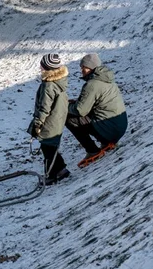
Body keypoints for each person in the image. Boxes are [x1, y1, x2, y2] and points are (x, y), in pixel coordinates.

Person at [65, 53, 128, 168]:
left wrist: (64, 106)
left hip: (109, 130)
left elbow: (80, 111)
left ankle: (92, 150)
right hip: (120, 127)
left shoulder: (92, 84)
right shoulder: (107, 79)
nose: (82, 70)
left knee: (68, 118)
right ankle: (106, 141)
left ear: (91, 67)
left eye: (83, 67)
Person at [27, 53, 71, 185]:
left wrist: (38, 124)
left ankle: (50, 175)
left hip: (50, 122)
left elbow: (44, 108)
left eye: (42, 65)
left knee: (47, 148)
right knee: (50, 146)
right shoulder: (58, 82)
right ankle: (61, 170)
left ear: (47, 68)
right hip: (57, 120)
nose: (40, 67)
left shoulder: (48, 86)